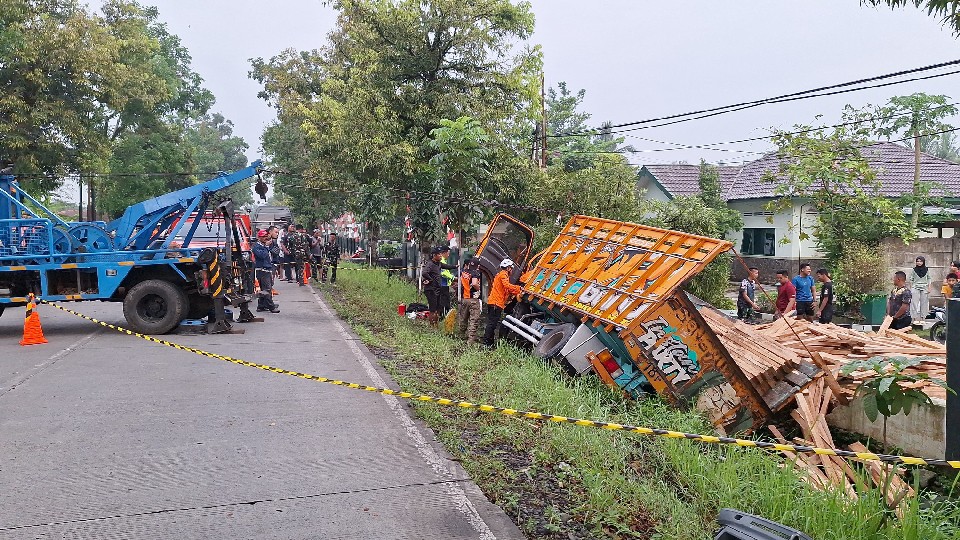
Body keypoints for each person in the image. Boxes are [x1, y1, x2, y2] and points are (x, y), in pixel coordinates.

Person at [483, 258, 523, 347]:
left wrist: (515, 292)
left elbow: (506, 290)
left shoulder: (500, 275)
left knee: (492, 323)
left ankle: (489, 342)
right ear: (508, 268)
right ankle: (486, 343)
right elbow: (507, 286)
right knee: (492, 324)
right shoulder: (503, 275)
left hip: (494, 303)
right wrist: (519, 288)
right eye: (511, 268)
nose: (512, 270)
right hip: (496, 304)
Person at [251, 230, 280, 313]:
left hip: (267, 268)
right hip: (262, 270)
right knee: (267, 289)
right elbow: (262, 255)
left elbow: (274, 253)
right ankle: (271, 306)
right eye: (263, 236)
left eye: (266, 236)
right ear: (259, 237)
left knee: (265, 289)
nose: (265, 238)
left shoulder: (266, 245)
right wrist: (266, 247)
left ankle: (261, 306)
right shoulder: (256, 247)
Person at [458, 256, 483, 344]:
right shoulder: (475, 273)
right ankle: (471, 340)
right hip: (473, 299)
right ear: (478, 266)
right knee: (473, 320)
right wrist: (479, 288)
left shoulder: (464, 272)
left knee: (463, 318)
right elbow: (474, 283)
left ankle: (461, 335)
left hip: (464, 299)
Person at [422, 246, 446, 327]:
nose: (440, 256)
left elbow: (447, 266)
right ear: (434, 255)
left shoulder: (438, 264)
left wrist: (456, 266)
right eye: (439, 254)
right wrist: (430, 279)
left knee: (438, 308)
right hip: (431, 289)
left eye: (441, 254)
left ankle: (436, 324)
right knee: (433, 309)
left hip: (437, 289)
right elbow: (424, 273)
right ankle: (432, 327)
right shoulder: (430, 264)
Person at [909, 256, 931, 324]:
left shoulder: (927, 269)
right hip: (915, 287)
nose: (919, 263)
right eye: (917, 261)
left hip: (924, 287)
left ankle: (923, 318)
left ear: (923, 262)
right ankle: (914, 318)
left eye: (920, 261)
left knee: (924, 303)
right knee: (914, 303)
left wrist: (929, 287)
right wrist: (911, 287)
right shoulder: (914, 270)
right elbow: (911, 279)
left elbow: (929, 278)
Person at [437, 246, 457, 316]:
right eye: (448, 253)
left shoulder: (443, 261)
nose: (448, 255)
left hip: (444, 285)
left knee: (444, 302)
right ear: (444, 253)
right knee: (444, 303)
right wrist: (453, 278)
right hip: (442, 285)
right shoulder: (441, 261)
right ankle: (443, 316)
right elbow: (443, 273)